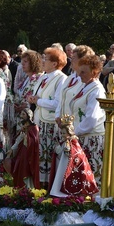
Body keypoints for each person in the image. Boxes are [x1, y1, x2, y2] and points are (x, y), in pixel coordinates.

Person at [26, 47, 67, 188]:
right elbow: (38, 95)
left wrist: (38, 101)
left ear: (55, 63)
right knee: (39, 157)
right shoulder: (43, 76)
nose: (42, 61)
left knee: (48, 158)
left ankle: (48, 188)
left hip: (50, 124)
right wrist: (32, 98)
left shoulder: (61, 79)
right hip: (39, 122)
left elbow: (57, 104)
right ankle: (38, 186)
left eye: (46, 58)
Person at [70, 54, 106, 187]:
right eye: (79, 71)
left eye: (83, 72)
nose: (80, 75)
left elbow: (92, 118)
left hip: (91, 140)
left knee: (90, 178)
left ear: (94, 72)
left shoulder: (96, 90)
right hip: (81, 137)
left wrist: (73, 133)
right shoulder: (85, 86)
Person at [49, 115, 99, 197]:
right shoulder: (64, 142)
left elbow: (77, 155)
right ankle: (58, 190)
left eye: (64, 133)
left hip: (69, 167)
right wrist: (58, 149)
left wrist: (68, 151)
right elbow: (59, 153)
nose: (62, 135)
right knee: (59, 178)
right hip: (62, 165)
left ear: (69, 132)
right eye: (61, 133)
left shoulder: (74, 143)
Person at [12, 50, 42, 146]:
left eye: (26, 61)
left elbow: (38, 96)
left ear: (33, 62)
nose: (22, 64)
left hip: (30, 120)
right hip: (20, 118)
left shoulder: (39, 78)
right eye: (22, 61)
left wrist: (26, 105)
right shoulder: (25, 79)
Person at [6, 108, 40, 189]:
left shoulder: (34, 127)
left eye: (23, 114)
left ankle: (28, 187)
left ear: (29, 116)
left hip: (29, 152)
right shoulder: (24, 127)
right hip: (22, 151)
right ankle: (20, 186)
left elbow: (35, 140)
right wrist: (12, 149)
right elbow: (19, 139)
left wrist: (27, 137)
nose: (21, 116)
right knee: (19, 167)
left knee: (26, 168)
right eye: (21, 114)